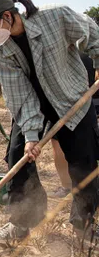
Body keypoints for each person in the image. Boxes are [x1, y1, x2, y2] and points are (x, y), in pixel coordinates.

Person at [0, 0, 99, 245]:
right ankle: (21, 222)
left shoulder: (55, 16)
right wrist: (30, 136)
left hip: (72, 100)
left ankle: (83, 225)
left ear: (8, 15)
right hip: (34, 107)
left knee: (84, 163)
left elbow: (92, 33)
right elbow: (21, 98)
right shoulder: (3, 54)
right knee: (18, 153)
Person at [49, 53, 97, 198]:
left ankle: (74, 188)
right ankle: (68, 187)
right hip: (67, 103)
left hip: (86, 101)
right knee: (59, 144)